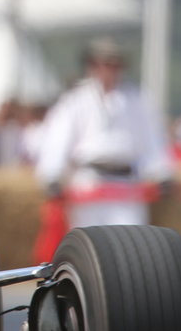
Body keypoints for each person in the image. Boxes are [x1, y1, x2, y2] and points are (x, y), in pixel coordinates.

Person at [34, 37, 172, 235]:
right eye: (104, 64)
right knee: (89, 242)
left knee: (130, 240)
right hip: (88, 182)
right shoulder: (75, 101)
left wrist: (161, 173)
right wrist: (52, 175)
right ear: (91, 66)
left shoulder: (138, 100)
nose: (109, 70)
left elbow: (151, 140)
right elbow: (58, 140)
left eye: (115, 65)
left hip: (126, 184)